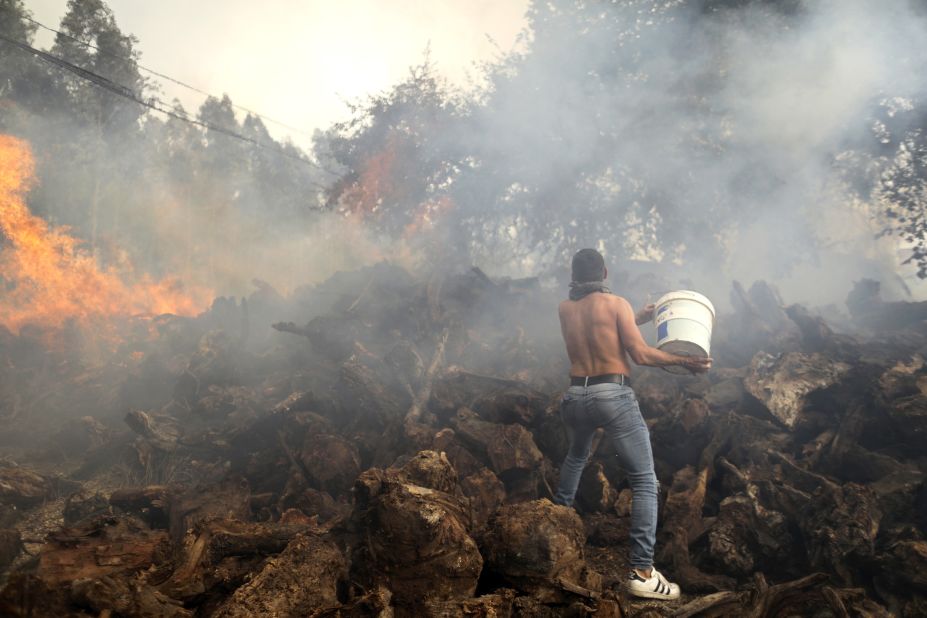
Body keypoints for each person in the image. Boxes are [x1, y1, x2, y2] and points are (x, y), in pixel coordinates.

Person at [553, 248, 711, 601]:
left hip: (576, 396)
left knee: (576, 458)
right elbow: (639, 354)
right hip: (612, 396)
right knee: (644, 482)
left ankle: (552, 524)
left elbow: (598, 331)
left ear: (574, 275)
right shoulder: (616, 303)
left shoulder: (566, 309)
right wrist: (686, 361)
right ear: (605, 272)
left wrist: (635, 317)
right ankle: (642, 571)